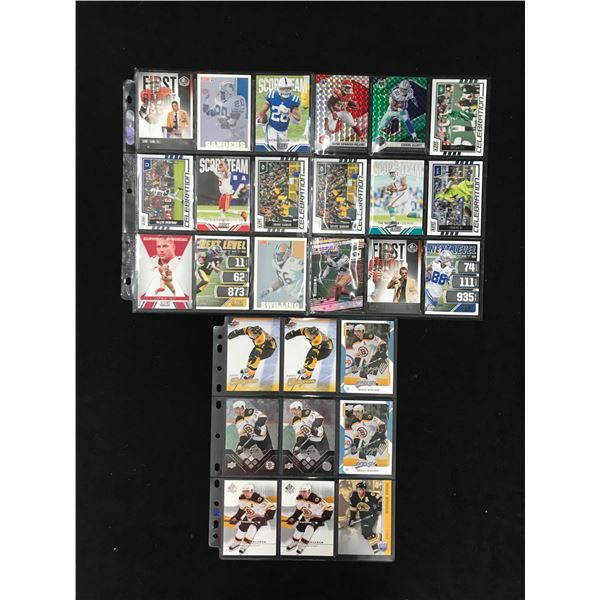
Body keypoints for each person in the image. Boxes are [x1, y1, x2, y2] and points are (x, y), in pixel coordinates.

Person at [228, 483, 276, 554]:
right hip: (248, 516)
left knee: (252, 529)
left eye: (247, 491)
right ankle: (236, 543)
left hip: (258, 517)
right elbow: (242, 510)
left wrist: (265, 516)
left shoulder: (259, 499)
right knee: (241, 529)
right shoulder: (241, 498)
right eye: (244, 491)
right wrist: (236, 517)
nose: (245, 493)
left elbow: (273, 507)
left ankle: (244, 546)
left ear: (252, 491)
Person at [285, 483, 333, 554]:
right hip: (306, 516)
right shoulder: (299, 498)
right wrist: (293, 517)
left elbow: (329, 509)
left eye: (304, 491)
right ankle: (294, 542)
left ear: (309, 491)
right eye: (301, 492)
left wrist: (321, 518)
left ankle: (302, 545)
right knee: (299, 529)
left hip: (315, 517)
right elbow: (299, 510)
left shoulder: (316, 499)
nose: (302, 494)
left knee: (309, 529)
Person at [346, 481, 383, 554]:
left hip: (372, 516)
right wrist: (352, 519)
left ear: (364, 490)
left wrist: (379, 506)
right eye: (358, 489)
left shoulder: (370, 495)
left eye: (361, 489)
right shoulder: (354, 496)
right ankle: (380, 537)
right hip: (363, 518)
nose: (360, 491)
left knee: (366, 532)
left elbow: (381, 498)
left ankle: (376, 550)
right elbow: (353, 509)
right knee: (366, 535)